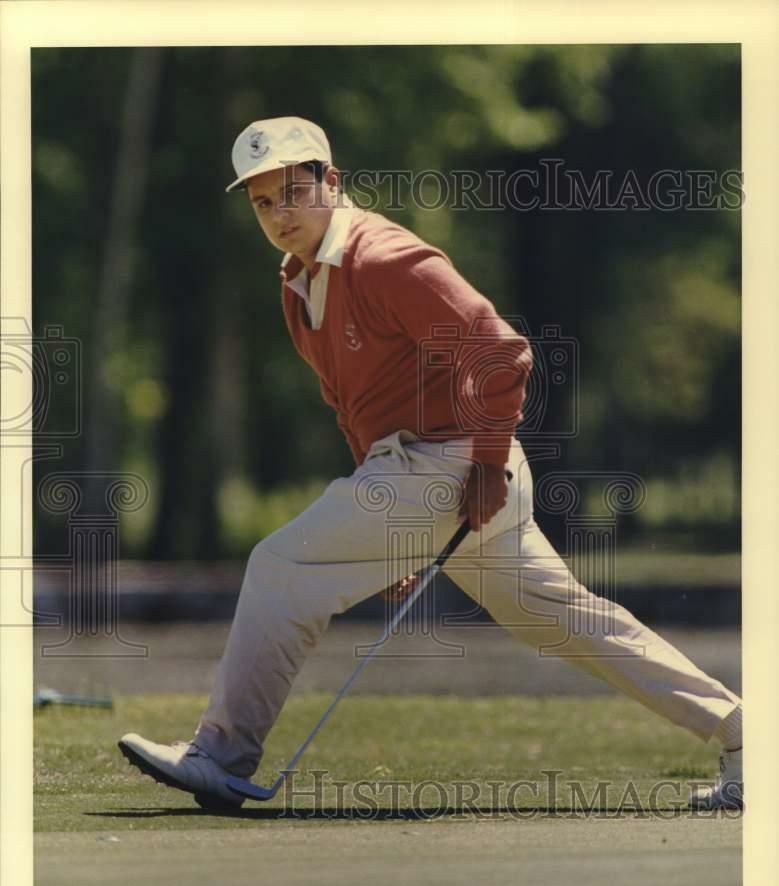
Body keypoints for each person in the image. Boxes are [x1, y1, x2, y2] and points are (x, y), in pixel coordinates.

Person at [119, 116, 742, 810]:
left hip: (457, 466)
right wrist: (389, 528)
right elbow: (355, 407)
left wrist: (482, 466)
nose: (279, 214)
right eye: (263, 202)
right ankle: (747, 736)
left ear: (332, 181)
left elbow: (500, 352)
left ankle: (221, 755)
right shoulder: (298, 283)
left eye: (293, 191)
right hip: (426, 477)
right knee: (570, 623)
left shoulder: (382, 257)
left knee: (277, 566)